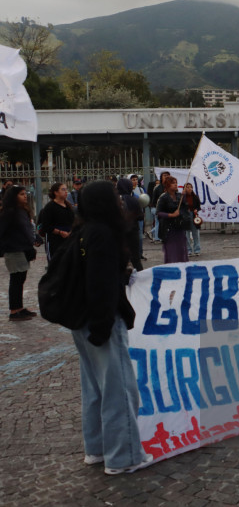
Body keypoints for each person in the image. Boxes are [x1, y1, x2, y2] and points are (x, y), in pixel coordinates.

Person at [70, 180, 152, 474]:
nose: (121, 200)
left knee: (94, 389)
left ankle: (97, 449)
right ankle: (123, 457)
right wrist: (104, 327)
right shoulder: (103, 234)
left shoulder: (82, 230)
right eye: (116, 196)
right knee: (118, 390)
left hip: (81, 320)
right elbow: (101, 285)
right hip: (100, 321)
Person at [0, 186, 39, 321]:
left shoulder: (22, 211)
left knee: (20, 279)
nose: (25, 196)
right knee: (16, 279)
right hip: (13, 249)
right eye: (21, 194)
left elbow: (27, 229)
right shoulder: (9, 212)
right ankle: (14, 310)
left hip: (23, 249)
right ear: (14, 196)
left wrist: (34, 240)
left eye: (25, 193)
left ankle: (19, 308)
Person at [37, 182, 75, 263]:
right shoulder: (50, 207)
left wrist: (71, 232)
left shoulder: (68, 206)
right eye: (63, 189)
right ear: (56, 192)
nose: (66, 192)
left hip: (69, 239)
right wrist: (60, 232)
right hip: (55, 240)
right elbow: (46, 226)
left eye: (66, 189)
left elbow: (73, 222)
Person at [155, 176, 189, 263]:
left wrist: (185, 197)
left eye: (176, 183)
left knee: (181, 250)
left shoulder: (179, 196)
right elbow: (158, 212)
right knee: (171, 251)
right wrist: (171, 215)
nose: (176, 185)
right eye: (173, 183)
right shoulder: (163, 197)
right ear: (167, 185)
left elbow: (184, 208)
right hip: (168, 229)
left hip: (179, 227)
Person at [117, 178, 143, 271]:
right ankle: (141, 280)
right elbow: (140, 217)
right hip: (132, 232)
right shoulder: (134, 200)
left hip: (119, 233)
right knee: (135, 259)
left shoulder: (115, 199)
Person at [149, 171, 170, 243]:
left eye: (168, 175)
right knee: (159, 222)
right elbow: (154, 200)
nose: (166, 177)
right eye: (164, 175)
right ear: (161, 177)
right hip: (159, 209)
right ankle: (157, 238)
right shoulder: (157, 188)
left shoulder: (171, 186)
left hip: (169, 209)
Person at [183, 182, 202, 256]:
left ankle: (197, 249)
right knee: (186, 234)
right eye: (187, 187)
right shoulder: (182, 197)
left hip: (193, 215)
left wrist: (196, 210)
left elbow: (198, 206)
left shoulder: (195, 197)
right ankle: (188, 250)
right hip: (185, 216)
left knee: (195, 233)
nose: (189, 188)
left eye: (190, 187)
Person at [129, 175, 146, 261]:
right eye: (132, 180)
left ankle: (140, 253)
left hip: (139, 215)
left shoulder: (140, 190)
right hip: (131, 216)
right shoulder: (128, 190)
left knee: (140, 235)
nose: (135, 181)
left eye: (136, 179)